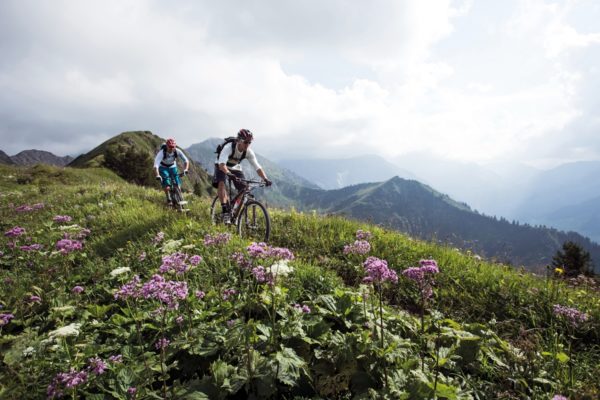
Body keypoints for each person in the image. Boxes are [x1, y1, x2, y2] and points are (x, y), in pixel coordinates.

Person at [215, 129, 271, 223]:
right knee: (221, 184)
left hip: (234, 167)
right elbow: (221, 165)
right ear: (239, 141)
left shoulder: (248, 152)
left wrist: (265, 178)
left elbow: (257, 167)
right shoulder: (229, 147)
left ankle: (235, 210)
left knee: (244, 188)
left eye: (249, 142)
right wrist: (228, 173)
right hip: (221, 165)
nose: (247, 144)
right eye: (245, 142)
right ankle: (225, 212)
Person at [153, 137, 190, 205]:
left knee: (177, 183)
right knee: (167, 185)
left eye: (173, 147)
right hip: (163, 167)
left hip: (172, 166)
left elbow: (186, 160)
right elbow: (156, 165)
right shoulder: (161, 153)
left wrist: (186, 169)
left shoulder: (177, 151)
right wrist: (157, 175)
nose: (171, 148)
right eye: (170, 147)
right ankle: (168, 198)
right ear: (167, 146)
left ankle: (179, 196)